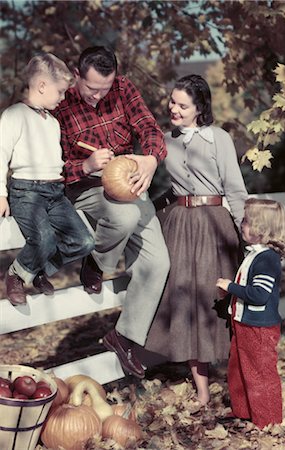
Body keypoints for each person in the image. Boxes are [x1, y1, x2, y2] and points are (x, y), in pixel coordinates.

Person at [53, 46, 170, 379]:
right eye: (91, 88)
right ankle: (96, 263)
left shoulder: (123, 88)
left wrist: (149, 158)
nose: (97, 96)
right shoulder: (60, 103)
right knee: (124, 217)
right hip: (85, 188)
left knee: (158, 263)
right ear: (77, 75)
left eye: (104, 89)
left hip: (128, 182)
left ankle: (124, 336)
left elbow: (149, 129)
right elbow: (51, 167)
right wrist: (85, 165)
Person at [145, 74, 248, 406]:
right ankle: (201, 389)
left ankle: (241, 379)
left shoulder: (220, 139)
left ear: (200, 107)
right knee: (184, 299)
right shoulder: (164, 139)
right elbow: (162, 185)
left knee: (212, 299)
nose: (173, 109)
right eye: (172, 101)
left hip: (214, 226)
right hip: (179, 225)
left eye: (181, 105)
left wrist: (247, 234)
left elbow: (234, 189)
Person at [0, 53, 95, 306]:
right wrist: (0, 194)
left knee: (84, 241)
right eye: (60, 92)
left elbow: (54, 161)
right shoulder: (14, 115)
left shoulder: (52, 123)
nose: (63, 98)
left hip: (55, 192)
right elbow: (0, 154)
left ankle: (39, 269)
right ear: (42, 86)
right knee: (43, 238)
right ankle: (17, 275)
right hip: (26, 192)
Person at [216, 198, 285, 429]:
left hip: (259, 327)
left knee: (260, 373)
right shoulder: (255, 254)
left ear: (263, 229)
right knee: (239, 367)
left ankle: (267, 420)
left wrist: (230, 287)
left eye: (248, 221)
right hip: (244, 322)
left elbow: (259, 294)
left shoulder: (267, 259)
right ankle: (243, 410)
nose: (242, 224)